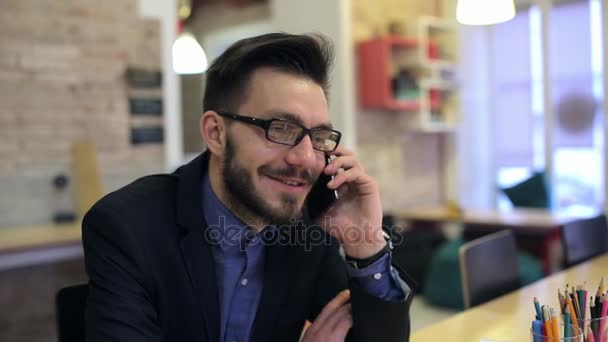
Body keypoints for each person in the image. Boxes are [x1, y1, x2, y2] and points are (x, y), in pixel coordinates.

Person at [82, 32, 414, 342]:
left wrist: (365, 242)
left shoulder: (311, 223)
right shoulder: (129, 226)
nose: (307, 159)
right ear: (216, 133)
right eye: (281, 129)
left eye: (318, 137)